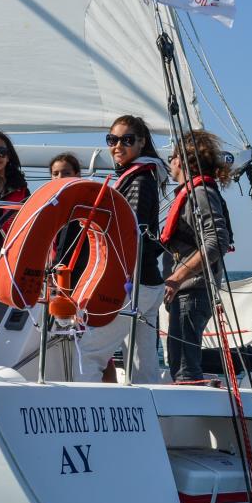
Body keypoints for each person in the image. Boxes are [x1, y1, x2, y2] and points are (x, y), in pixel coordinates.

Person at [72, 117, 170, 383]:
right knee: (142, 363)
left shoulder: (139, 180)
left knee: (89, 352)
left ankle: (83, 407)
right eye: (112, 140)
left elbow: (130, 231)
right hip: (148, 283)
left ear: (141, 143)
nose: (117, 146)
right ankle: (146, 406)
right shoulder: (144, 175)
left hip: (134, 285)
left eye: (126, 140)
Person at [161, 128, 233, 384]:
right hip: (188, 293)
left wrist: (176, 277)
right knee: (180, 363)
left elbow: (217, 241)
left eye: (171, 157)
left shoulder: (200, 193)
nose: (170, 163)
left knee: (184, 369)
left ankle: (190, 405)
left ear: (181, 160)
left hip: (191, 293)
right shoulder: (194, 192)